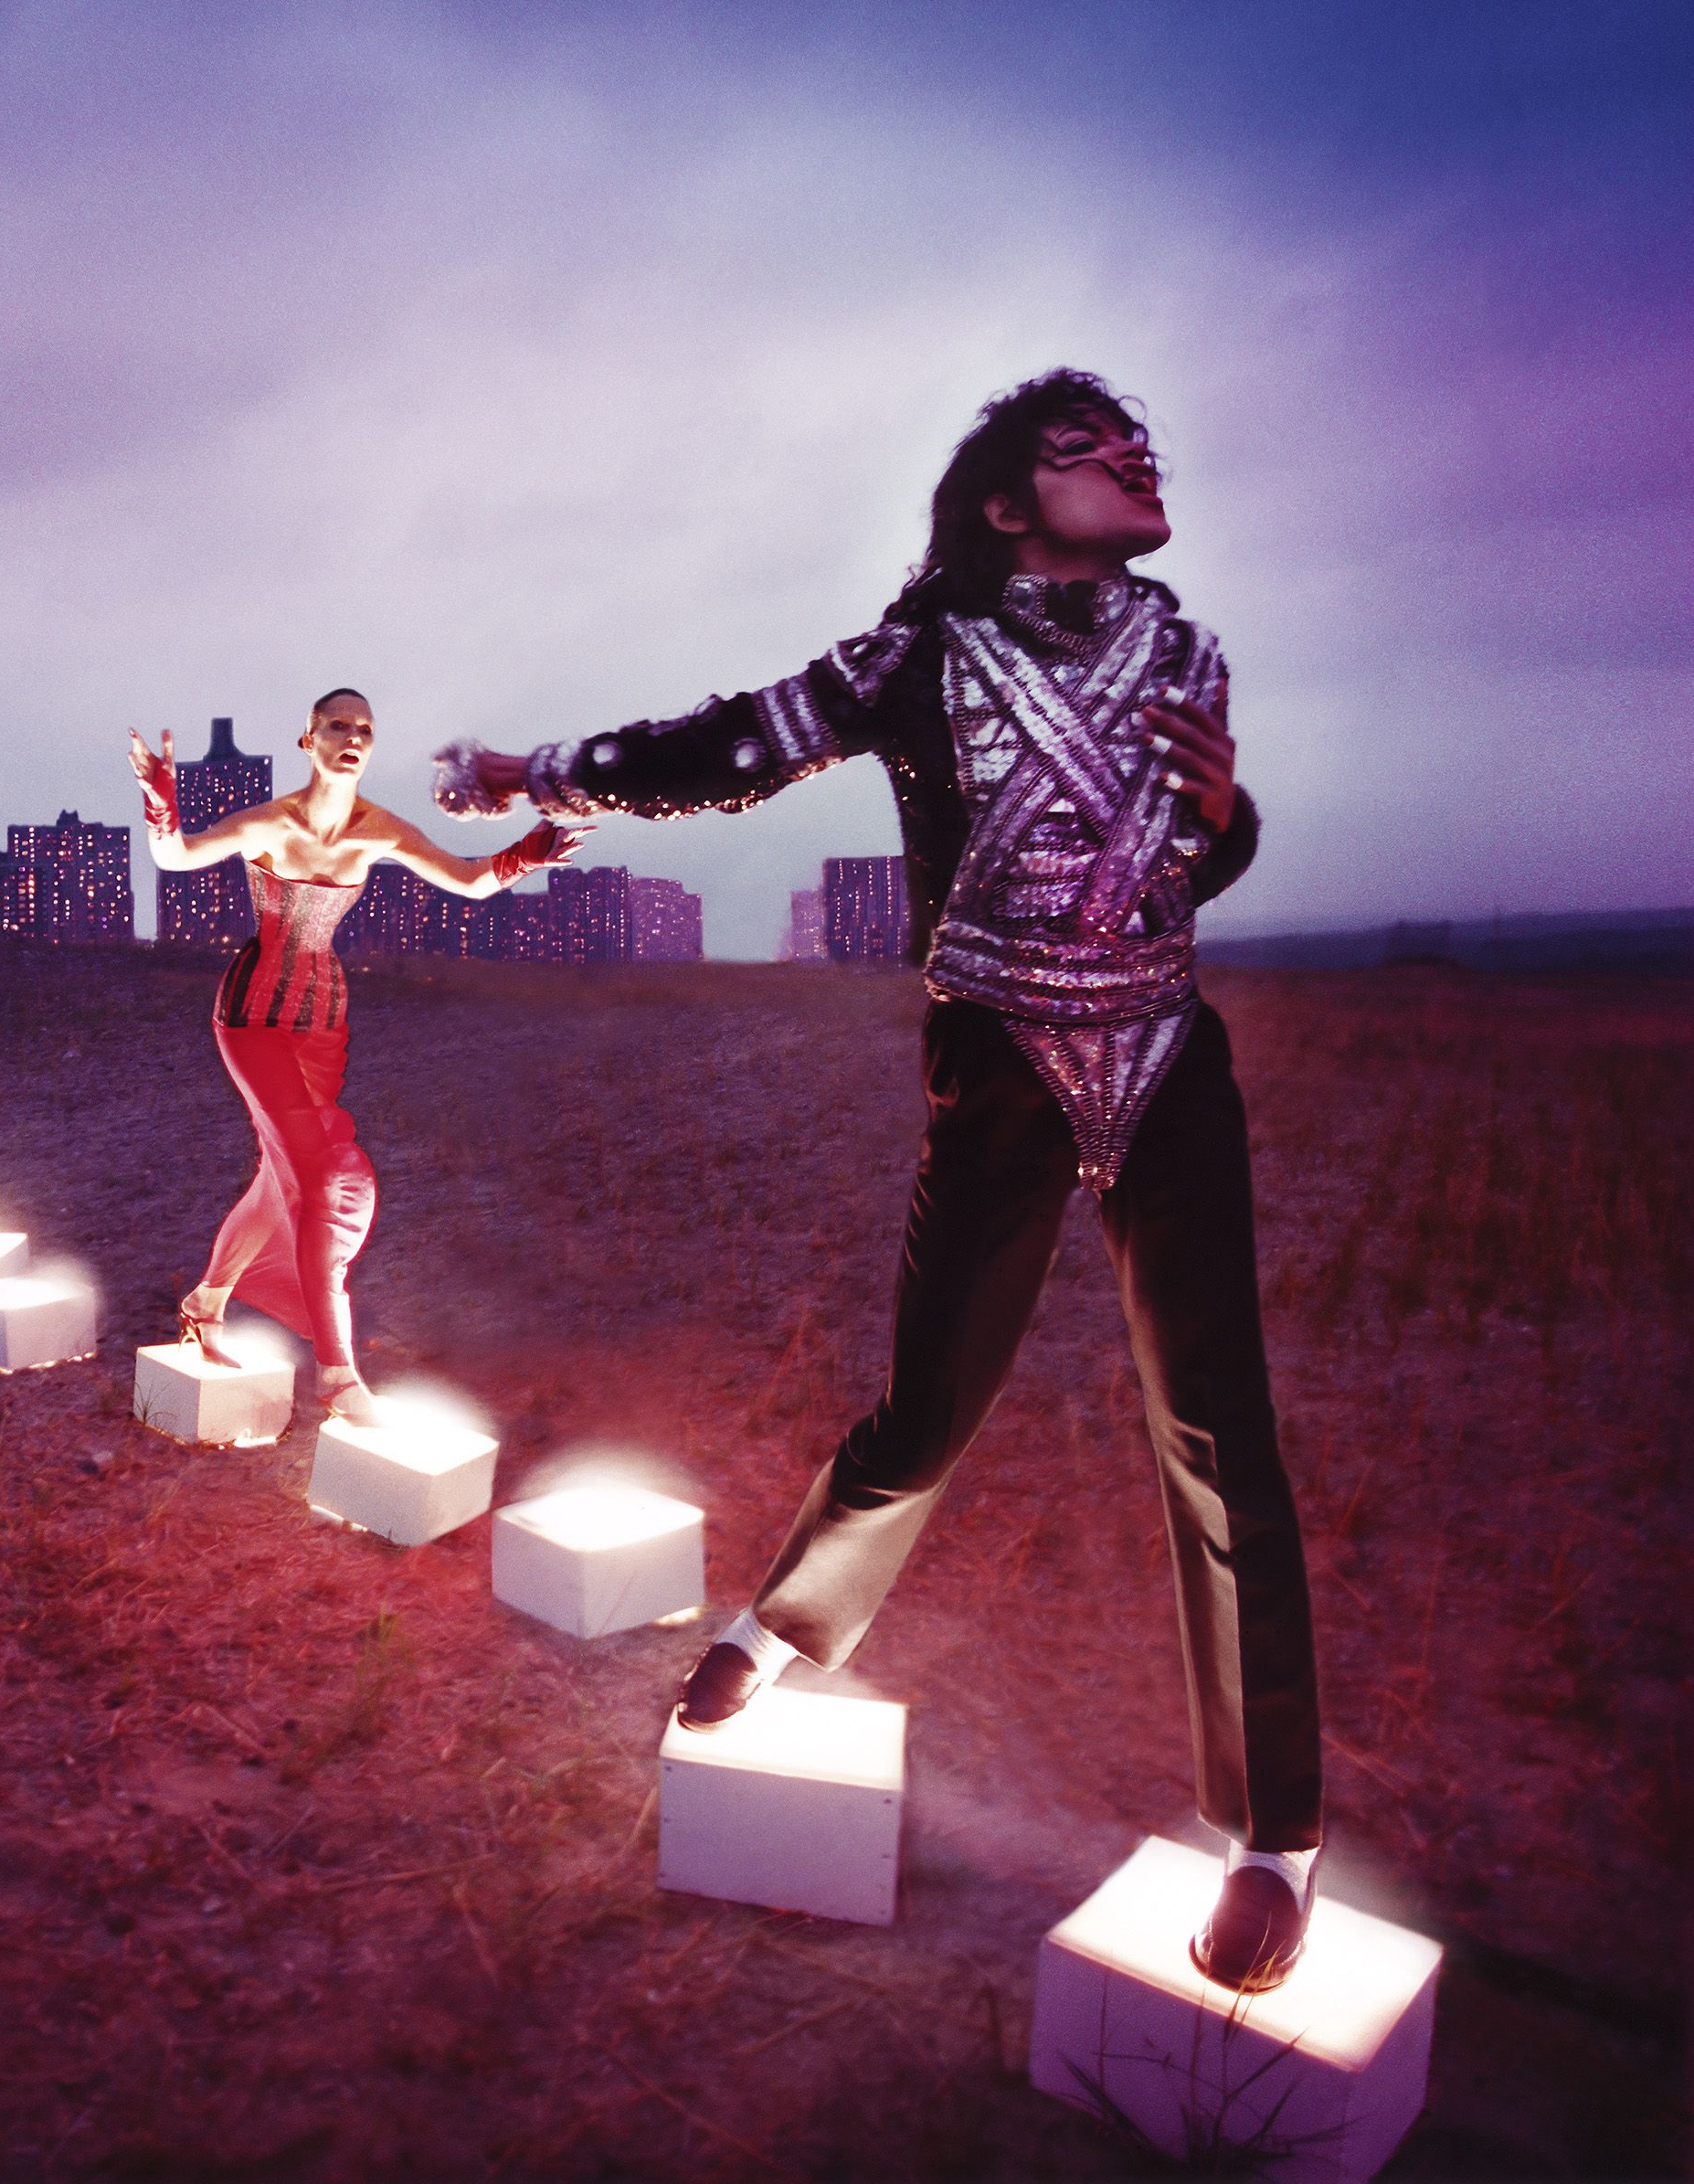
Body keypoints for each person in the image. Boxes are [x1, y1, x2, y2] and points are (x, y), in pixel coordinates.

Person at [434, 372, 1323, 1992]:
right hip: (996, 1069)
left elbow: (1188, 867)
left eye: (1142, 446)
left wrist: (1226, 813)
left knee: (1215, 1439)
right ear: (1003, 505)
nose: (1136, 457)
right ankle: (787, 1627)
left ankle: (1271, 1836)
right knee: (927, 1408)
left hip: (1168, 1062)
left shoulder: (1186, 651)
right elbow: (734, 748)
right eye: (1088, 447)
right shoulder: (917, 655)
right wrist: (532, 766)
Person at [131, 687, 582, 1426]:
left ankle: (204, 1303)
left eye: (364, 729)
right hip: (252, 1014)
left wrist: (529, 852)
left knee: (280, 1176)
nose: (351, 736)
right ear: (307, 740)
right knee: (317, 1177)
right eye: (336, 725)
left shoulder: (380, 829)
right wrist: (160, 802)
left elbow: (468, 881)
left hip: (323, 1020)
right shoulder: (271, 820)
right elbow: (175, 856)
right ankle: (338, 1377)